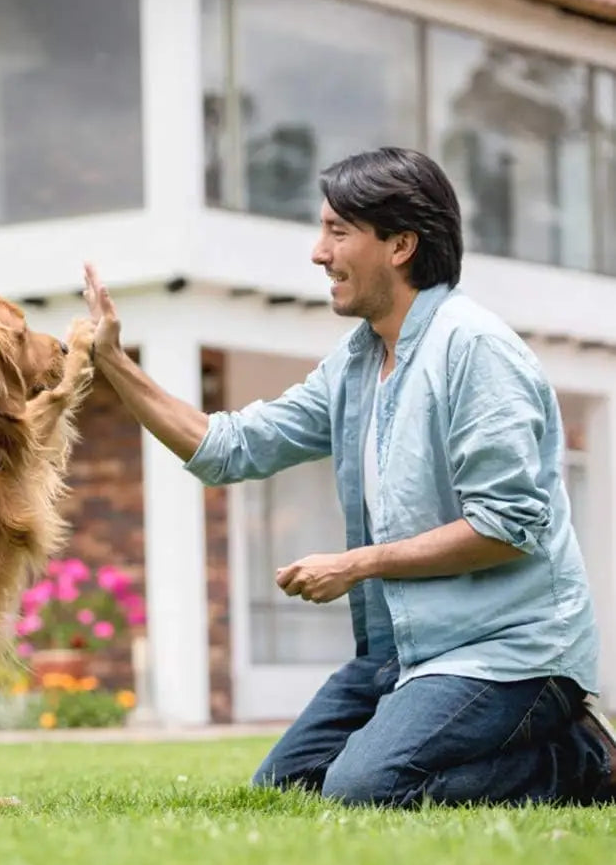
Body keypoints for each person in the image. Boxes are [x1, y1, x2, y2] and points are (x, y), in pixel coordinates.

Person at [81, 146, 616, 807]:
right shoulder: (357, 364)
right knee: (287, 788)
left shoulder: (475, 351)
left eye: (338, 231)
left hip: (510, 652)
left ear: (400, 245)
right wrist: (113, 362)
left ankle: (581, 761)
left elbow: (507, 528)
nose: (317, 251)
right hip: (404, 652)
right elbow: (230, 448)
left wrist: (357, 564)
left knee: (367, 788)